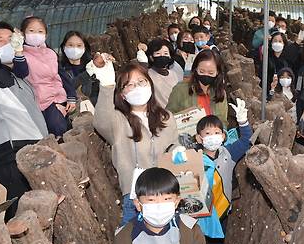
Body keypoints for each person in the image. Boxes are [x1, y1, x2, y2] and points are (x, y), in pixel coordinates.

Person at [0, 21, 48, 220]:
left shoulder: (19, 76)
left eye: (9, 40)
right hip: (9, 156)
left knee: (39, 211)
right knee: (19, 213)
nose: (4, 44)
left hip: (34, 149)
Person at [93, 60, 179, 226]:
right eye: (129, 85)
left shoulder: (166, 117)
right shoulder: (118, 120)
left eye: (141, 82)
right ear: (122, 94)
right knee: (132, 242)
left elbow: (172, 144)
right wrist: (107, 85)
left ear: (150, 85)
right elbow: (101, 121)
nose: (137, 87)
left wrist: (178, 150)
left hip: (166, 193)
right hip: (134, 197)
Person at [109, 168, 215, 244]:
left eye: (167, 199)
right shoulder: (125, 235)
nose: (159, 206)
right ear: (138, 204)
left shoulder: (189, 228)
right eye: (151, 200)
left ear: (176, 202)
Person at [194, 99, 252, 244]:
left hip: (221, 210)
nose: (212, 137)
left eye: (217, 132)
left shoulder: (228, 154)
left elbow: (246, 139)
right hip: (200, 214)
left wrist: (243, 121)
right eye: (207, 134)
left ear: (224, 136)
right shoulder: (194, 158)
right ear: (199, 138)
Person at [20, 16, 75, 137]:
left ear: (46, 35)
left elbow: (62, 75)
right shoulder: (21, 55)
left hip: (58, 97)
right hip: (39, 100)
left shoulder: (50, 53)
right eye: (31, 31)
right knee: (56, 127)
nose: (36, 35)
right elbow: (21, 73)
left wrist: (71, 96)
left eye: (40, 31)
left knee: (63, 127)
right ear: (23, 34)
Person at [167, 50, 228, 125]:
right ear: (195, 69)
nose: (206, 75)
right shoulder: (181, 89)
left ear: (217, 72)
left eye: (211, 73)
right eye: (201, 71)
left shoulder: (220, 92)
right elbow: (169, 115)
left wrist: (222, 133)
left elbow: (223, 121)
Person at [58, 31, 100, 105]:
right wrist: (86, 74)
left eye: (79, 45)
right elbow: (67, 89)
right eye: (70, 45)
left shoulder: (91, 66)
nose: (75, 49)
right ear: (64, 47)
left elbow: (97, 94)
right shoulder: (59, 68)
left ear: (84, 48)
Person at [145, 39, 184, 107]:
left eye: (166, 53)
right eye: (158, 53)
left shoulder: (173, 74)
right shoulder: (147, 75)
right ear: (151, 57)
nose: (162, 56)